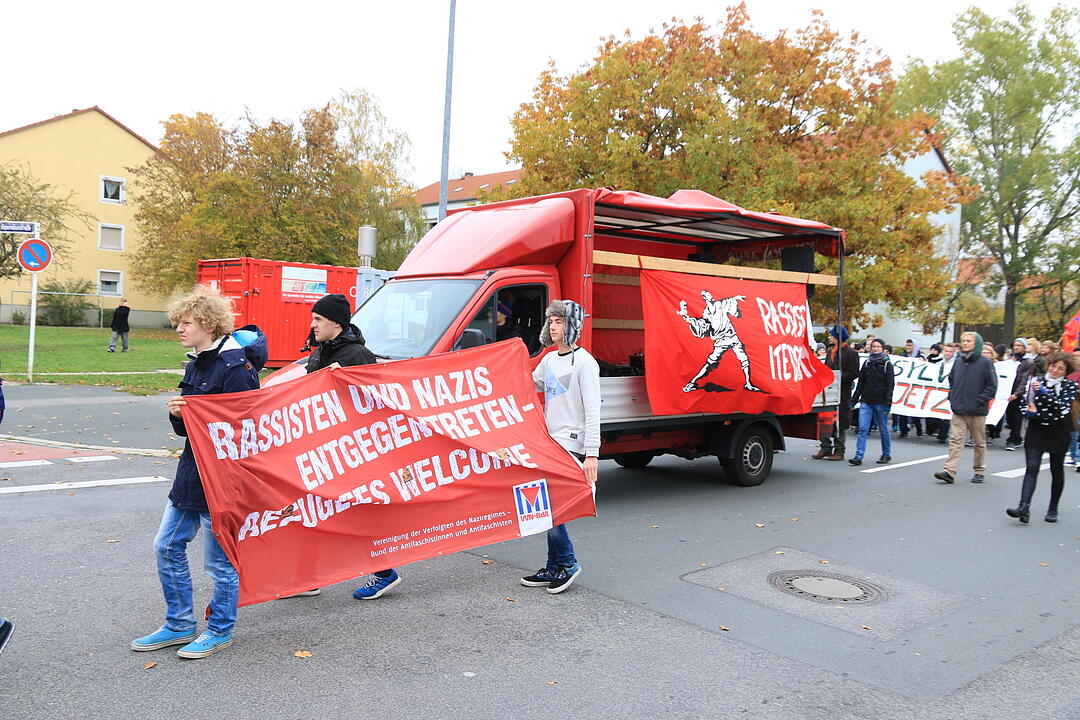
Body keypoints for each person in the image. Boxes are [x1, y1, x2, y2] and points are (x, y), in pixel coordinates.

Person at [130, 287, 266, 660]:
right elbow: (189, 432)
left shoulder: (237, 368)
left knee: (219, 564)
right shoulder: (197, 362)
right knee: (166, 545)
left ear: (208, 323)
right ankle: (179, 624)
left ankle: (220, 630)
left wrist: (199, 416)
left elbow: (245, 431)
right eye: (178, 323)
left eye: (186, 323)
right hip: (191, 475)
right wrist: (178, 416)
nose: (179, 329)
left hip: (221, 482)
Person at [291, 294, 379, 599]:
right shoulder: (319, 352)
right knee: (311, 510)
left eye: (318, 319)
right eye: (313, 318)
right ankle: (306, 578)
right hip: (318, 446)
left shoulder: (358, 355)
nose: (312, 324)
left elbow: (377, 402)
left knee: (351, 515)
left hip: (348, 450)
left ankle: (384, 571)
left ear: (337, 322)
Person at [520, 299, 600, 594]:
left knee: (552, 507)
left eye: (560, 322)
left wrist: (592, 455)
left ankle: (567, 562)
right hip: (549, 442)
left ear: (573, 326)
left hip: (572, 443)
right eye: (551, 322)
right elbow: (529, 384)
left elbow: (594, 412)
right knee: (546, 506)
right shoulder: (550, 360)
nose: (554, 327)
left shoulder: (585, 363)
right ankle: (555, 566)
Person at [1005, 353, 1078, 523]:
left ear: (1066, 372)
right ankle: (1024, 507)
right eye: (1053, 366)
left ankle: (1053, 508)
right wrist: (1029, 413)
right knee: (1031, 467)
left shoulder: (1070, 386)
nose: (1055, 370)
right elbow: (1025, 402)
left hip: (1058, 430)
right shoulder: (1036, 381)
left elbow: (1062, 407)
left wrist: (1045, 394)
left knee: (1056, 469)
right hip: (1037, 428)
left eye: (1060, 369)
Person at [934, 332, 998, 484]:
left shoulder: (985, 363)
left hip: (977, 410)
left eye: (969, 341)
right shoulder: (959, 361)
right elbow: (952, 380)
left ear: (977, 344)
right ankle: (949, 471)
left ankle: (979, 470)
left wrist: (979, 400)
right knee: (955, 440)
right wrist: (953, 396)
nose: (966, 343)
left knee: (979, 441)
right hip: (959, 409)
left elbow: (992, 386)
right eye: (963, 341)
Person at [813, 326, 859, 461]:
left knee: (840, 421)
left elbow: (854, 373)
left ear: (838, 337)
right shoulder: (829, 351)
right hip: (827, 391)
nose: (828, 337)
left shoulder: (850, 353)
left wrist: (837, 377)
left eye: (831, 335)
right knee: (824, 418)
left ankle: (839, 450)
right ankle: (825, 447)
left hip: (842, 392)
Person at [849, 338, 894, 466]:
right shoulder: (867, 363)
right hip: (866, 401)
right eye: (873, 346)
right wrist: (854, 400)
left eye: (878, 347)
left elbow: (890, 385)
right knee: (862, 428)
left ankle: (886, 454)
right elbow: (861, 383)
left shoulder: (886, 364)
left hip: (880, 402)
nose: (875, 349)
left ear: (882, 348)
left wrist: (887, 403)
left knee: (883, 428)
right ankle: (858, 456)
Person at [1005, 338, 1036, 451]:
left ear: (1024, 348)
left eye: (1019, 345)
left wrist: (1017, 393)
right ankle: (1014, 436)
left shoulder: (1028, 362)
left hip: (1020, 394)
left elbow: (1024, 379)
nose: (1016, 347)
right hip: (1008, 392)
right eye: (1015, 345)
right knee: (1009, 417)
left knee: (1017, 417)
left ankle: (1014, 439)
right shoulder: (1012, 360)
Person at [896, 339, 924, 438]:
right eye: (907, 345)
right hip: (904, 387)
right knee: (902, 409)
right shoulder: (903, 357)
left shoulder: (921, 357)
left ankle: (919, 428)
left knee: (914, 410)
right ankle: (903, 431)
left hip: (916, 389)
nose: (908, 347)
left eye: (910, 345)